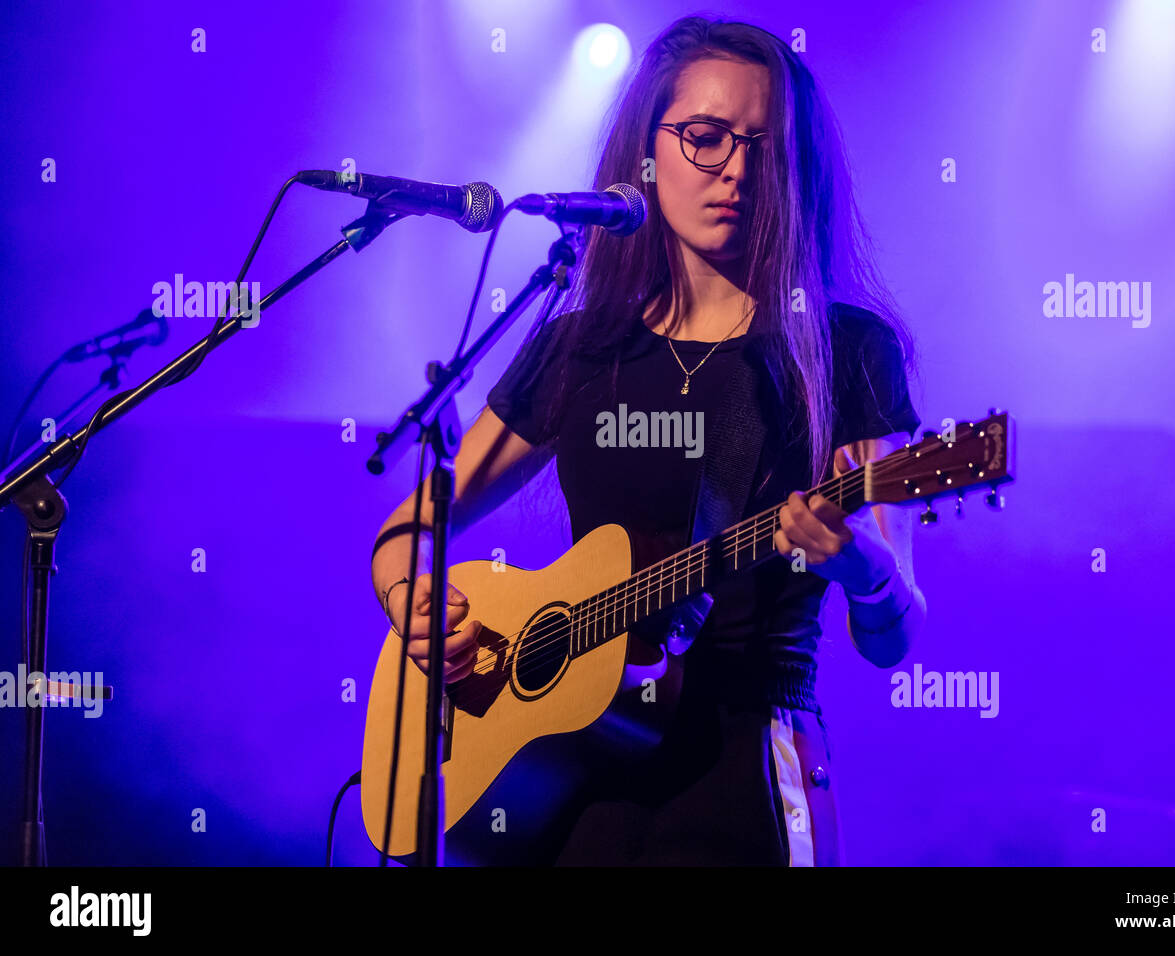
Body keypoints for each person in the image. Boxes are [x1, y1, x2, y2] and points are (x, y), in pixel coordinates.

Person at [370, 15, 928, 866]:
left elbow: (895, 637)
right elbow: (409, 531)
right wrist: (417, 606)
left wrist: (865, 569)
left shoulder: (846, 350)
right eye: (704, 137)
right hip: (567, 782)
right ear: (645, 155)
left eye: (763, 147)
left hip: (745, 768)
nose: (736, 170)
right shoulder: (578, 345)